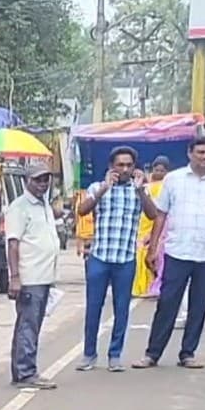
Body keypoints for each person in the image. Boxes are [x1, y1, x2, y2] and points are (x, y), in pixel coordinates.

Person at [138, 136, 205, 369]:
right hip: (177, 250)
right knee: (167, 303)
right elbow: (161, 214)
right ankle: (152, 353)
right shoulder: (173, 179)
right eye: (200, 152)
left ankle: (188, 353)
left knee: (199, 304)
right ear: (189, 153)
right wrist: (153, 248)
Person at [74, 146, 157, 371]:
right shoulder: (97, 187)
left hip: (125, 259)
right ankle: (89, 355)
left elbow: (153, 214)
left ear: (135, 167)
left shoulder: (139, 189)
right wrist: (103, 189)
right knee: (94, 308)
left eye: (129, 165)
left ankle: (115, 355)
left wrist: (141, 190)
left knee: (122, 309)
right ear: (112, 167)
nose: (125, 169)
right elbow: (82, 210)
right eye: (120, 165)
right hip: (100, 257)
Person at [5, 160, 61, 389]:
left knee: (32, 325)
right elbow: (13, 244)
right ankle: (25, 372)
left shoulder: (44, 205)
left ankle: (25, 370)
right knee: (27, 325)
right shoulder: (19, 207)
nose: (43, 184)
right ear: (27, 180)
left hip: (44, 276)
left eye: (46, 179)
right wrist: (15, 276)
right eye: (38, 179)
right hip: (30, 278)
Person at [134, 155, 170, 298]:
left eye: (162, 170)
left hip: (161, 225)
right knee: (140, 253)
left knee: (159, 256)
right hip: (144, 223)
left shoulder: (167, 187)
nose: (159, 173)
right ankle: (142, 286)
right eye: (157, 169)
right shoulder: (145, 187)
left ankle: (156, 285)